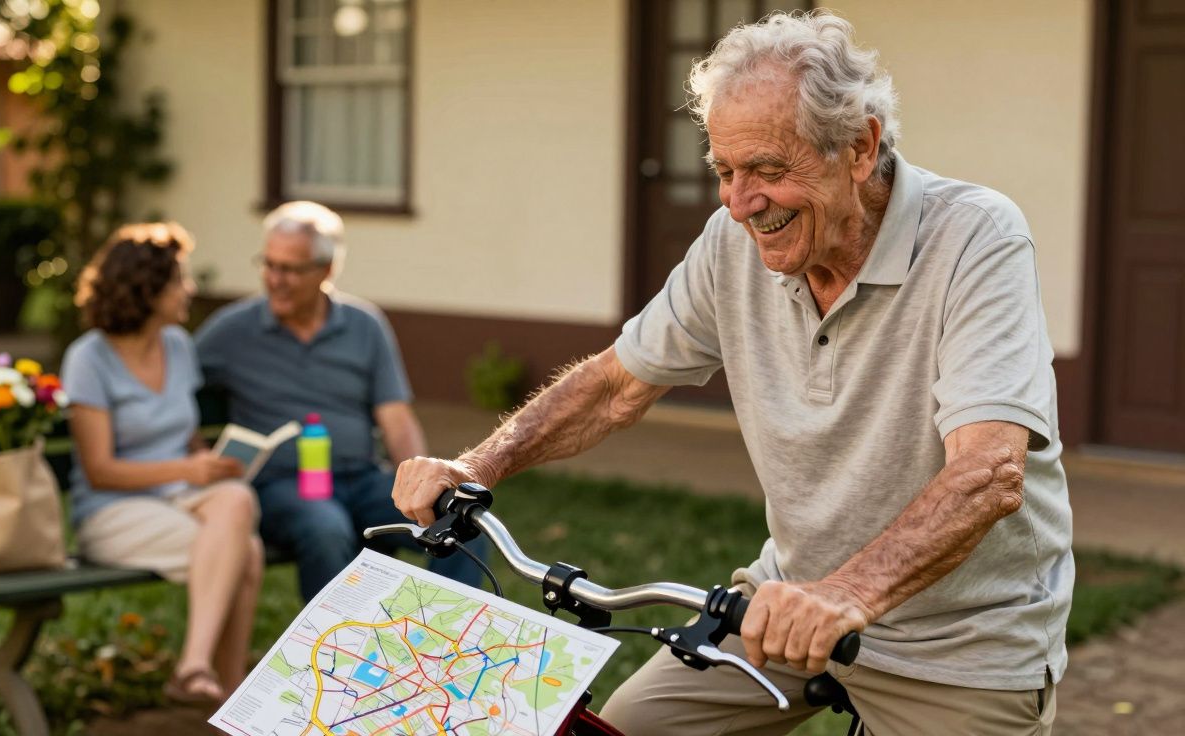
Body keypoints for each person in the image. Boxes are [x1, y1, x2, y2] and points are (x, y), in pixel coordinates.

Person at [390, 11, 1071, 735]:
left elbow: (989, 472)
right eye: (724, 170)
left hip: (956, 646)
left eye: (770, 171)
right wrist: (479, 462)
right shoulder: (733, 243)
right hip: (785, 603)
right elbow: (617, 384)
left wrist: (847, 596)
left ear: (860, 148)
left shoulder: (976, 237)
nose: (739, 203)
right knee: (625, 729)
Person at [194, 201, 488, 603]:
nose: (275, 279)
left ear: (326, 270)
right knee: (324, 525)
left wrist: (423, 484)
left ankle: (441, 637)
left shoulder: (364, 325)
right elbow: (172, 389)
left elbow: (396, 420)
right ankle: (335, 650)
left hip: (361, 478)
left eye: (291, 269)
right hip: (284, 486)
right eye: (269, 264)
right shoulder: (232, 331)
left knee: (459, 515)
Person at [61, 223, 264, 705]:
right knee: (246, 554)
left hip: (178, 496)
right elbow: (99, 469)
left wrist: (207, 462)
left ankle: (202, 676)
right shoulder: (88, 358)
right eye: (179, 280)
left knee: (237, 497)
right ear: (148, 290)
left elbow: (185, 435)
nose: (189, 289)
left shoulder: (177, 346)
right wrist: (185, 471)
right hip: (112, 510)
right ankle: (218, 684)